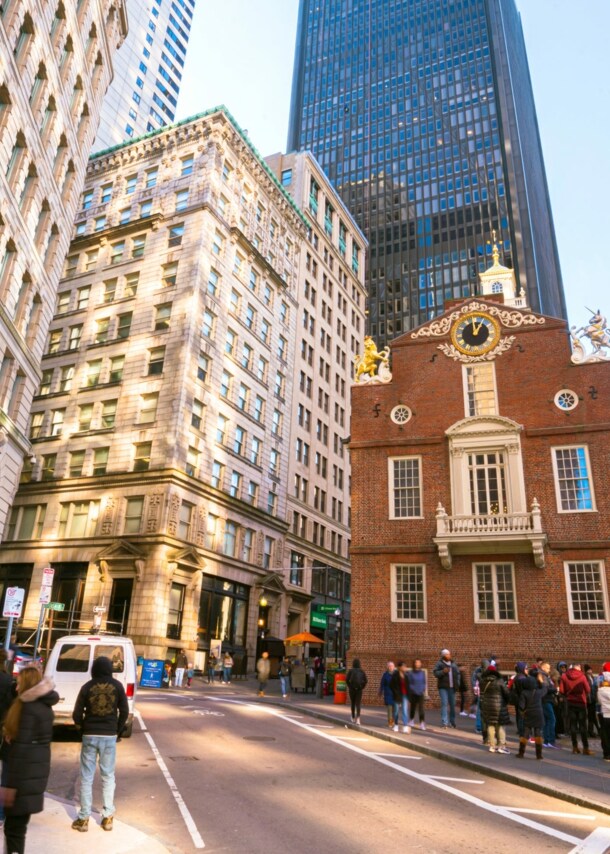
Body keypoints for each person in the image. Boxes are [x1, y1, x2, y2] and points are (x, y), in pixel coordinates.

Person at [0, 667, 58, 854]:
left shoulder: (27, 709)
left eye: (18, 683)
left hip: (22, 781)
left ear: (25, 684)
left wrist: (10, 787)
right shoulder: (44, 707)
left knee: (14, 831)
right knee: (18, 830)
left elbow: (21, 751)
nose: (16, 687)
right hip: (35, 777)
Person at [71, 656, 129, 833]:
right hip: (109, 735)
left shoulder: (87, 687)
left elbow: (77, 713)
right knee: (108, 776)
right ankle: (107, 817)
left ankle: (83, 819)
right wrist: (117, 730)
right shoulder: (118, 686)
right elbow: (125, 711)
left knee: (87, 777)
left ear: (93, 669)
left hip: (89, 734)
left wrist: (82, 729)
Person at [560, 663, 593, 755]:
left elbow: (562, 691)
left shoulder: (564, 676)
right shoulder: (582, 676)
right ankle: (585, 748)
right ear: (578, 667)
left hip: (570, 703)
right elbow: (588, 689)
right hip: (581, 703)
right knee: (583, 726)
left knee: (573, 725)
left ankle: (575, 747)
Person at [516, 667, 547, 759]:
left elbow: (521, 706)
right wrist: (541, 681)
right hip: (538, 714)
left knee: (525, 734)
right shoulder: (538, 692)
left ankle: (521, 753)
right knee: (538, 734)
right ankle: (539, 755)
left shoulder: (524, 693)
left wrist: (522, 714)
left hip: (528, 714)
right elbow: (545, 689)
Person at [479, 664, 510, 754]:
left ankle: (492, 746)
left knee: (490, 725)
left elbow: (481, 694)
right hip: (499, 706)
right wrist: (506, 701)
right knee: (500, 726)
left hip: (487, 706)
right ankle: (501, 746)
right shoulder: (499, 681)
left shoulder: (482, 681)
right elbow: (506, 693)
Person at [433, 649, 460, 729]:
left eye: (449, 654)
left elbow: (458, 674)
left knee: (452, 705)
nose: (449, 655)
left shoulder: (453, 664)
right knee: (444, 704)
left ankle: (452, 722)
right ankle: (445, 722)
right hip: (443, 687)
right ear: (443, 656)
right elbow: (435, 673)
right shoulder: (439, 664)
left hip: (452, 687)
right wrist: (443, 672)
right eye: (447, 654)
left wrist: (457, 684)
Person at [389, 660, 411, 733]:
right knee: (396, 711)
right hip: (397, 695)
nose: (405, 668)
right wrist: (395, 692)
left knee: (405, 711)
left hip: (405, 695)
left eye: (405, 666)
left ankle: (405, 726)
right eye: (403, 666)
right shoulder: (395, 675)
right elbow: (391, 685)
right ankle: (396, 725)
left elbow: (408, 686)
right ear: (399, 667)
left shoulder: (406, 675)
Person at [346, 658, 367, 725]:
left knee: (352, 703)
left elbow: (347, 680)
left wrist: (350, 686)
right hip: (359, 689)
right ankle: (358, 719)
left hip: (352, 689)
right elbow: (366, 681)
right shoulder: (362, 671)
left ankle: (353, 717)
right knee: (358, 704)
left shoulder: (351, 671)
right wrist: (362, 687)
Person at [595, 663, 610, 761]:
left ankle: (606, 754)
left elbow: (599, 702)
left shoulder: (600, 690)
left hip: (603, 713)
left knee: (605, 734)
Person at [408, 659, 427, 730]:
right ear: (414, 664)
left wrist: (423, 689)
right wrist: (412, 689)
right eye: (416, 662)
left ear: (420, 664)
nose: (417, 664)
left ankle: (422, 723)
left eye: (419, 662)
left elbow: (424, 682)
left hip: (420, 693)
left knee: (421, 709)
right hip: (413, 693)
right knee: (413, 708)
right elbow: (409, 683)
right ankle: (411, 720)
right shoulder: (411, 673)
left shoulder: (422, 673)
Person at [378, 661, 396, 728]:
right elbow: (382, 684)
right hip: (388, 694)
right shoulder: (385, 675)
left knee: (395, 710)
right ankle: (390, 722)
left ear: (394, 667)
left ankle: (393, 721)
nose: (391, 667)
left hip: (395, 694)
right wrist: (380, 691)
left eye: (392, 666)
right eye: (389, 666)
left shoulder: (396, 674)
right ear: (388, 667)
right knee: (389, 709)